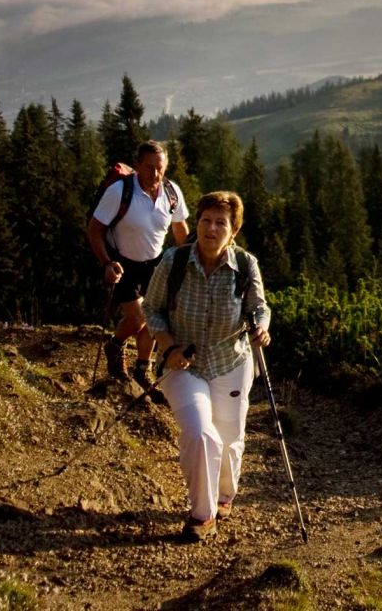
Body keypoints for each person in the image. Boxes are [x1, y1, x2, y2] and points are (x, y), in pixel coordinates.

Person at [145, 190, 271, 542]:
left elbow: (259, 306)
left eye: (220, 223)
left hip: (231, 360)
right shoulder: (173, 262)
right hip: (183, 365)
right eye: (205, 220)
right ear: (196, 223)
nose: (210, 228)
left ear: (233, 232)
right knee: (201, 434)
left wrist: (262, 326)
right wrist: (168, 347)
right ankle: (203, 513)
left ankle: (225, 495)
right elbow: (151, 308)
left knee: (229, 438)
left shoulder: (245, 265)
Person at [86, 140, 189, 385]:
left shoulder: (172, 192)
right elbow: (94, 230)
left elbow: (180, 229)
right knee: (139, 317)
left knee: (155, 320)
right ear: (137, 166)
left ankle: (143, 369)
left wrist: (189, 261)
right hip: (122, 262)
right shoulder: (119, 192)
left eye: (160, 168)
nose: (155, 173)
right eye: (149, 167)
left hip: (155, 264)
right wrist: (106, 263)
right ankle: (115, 345)